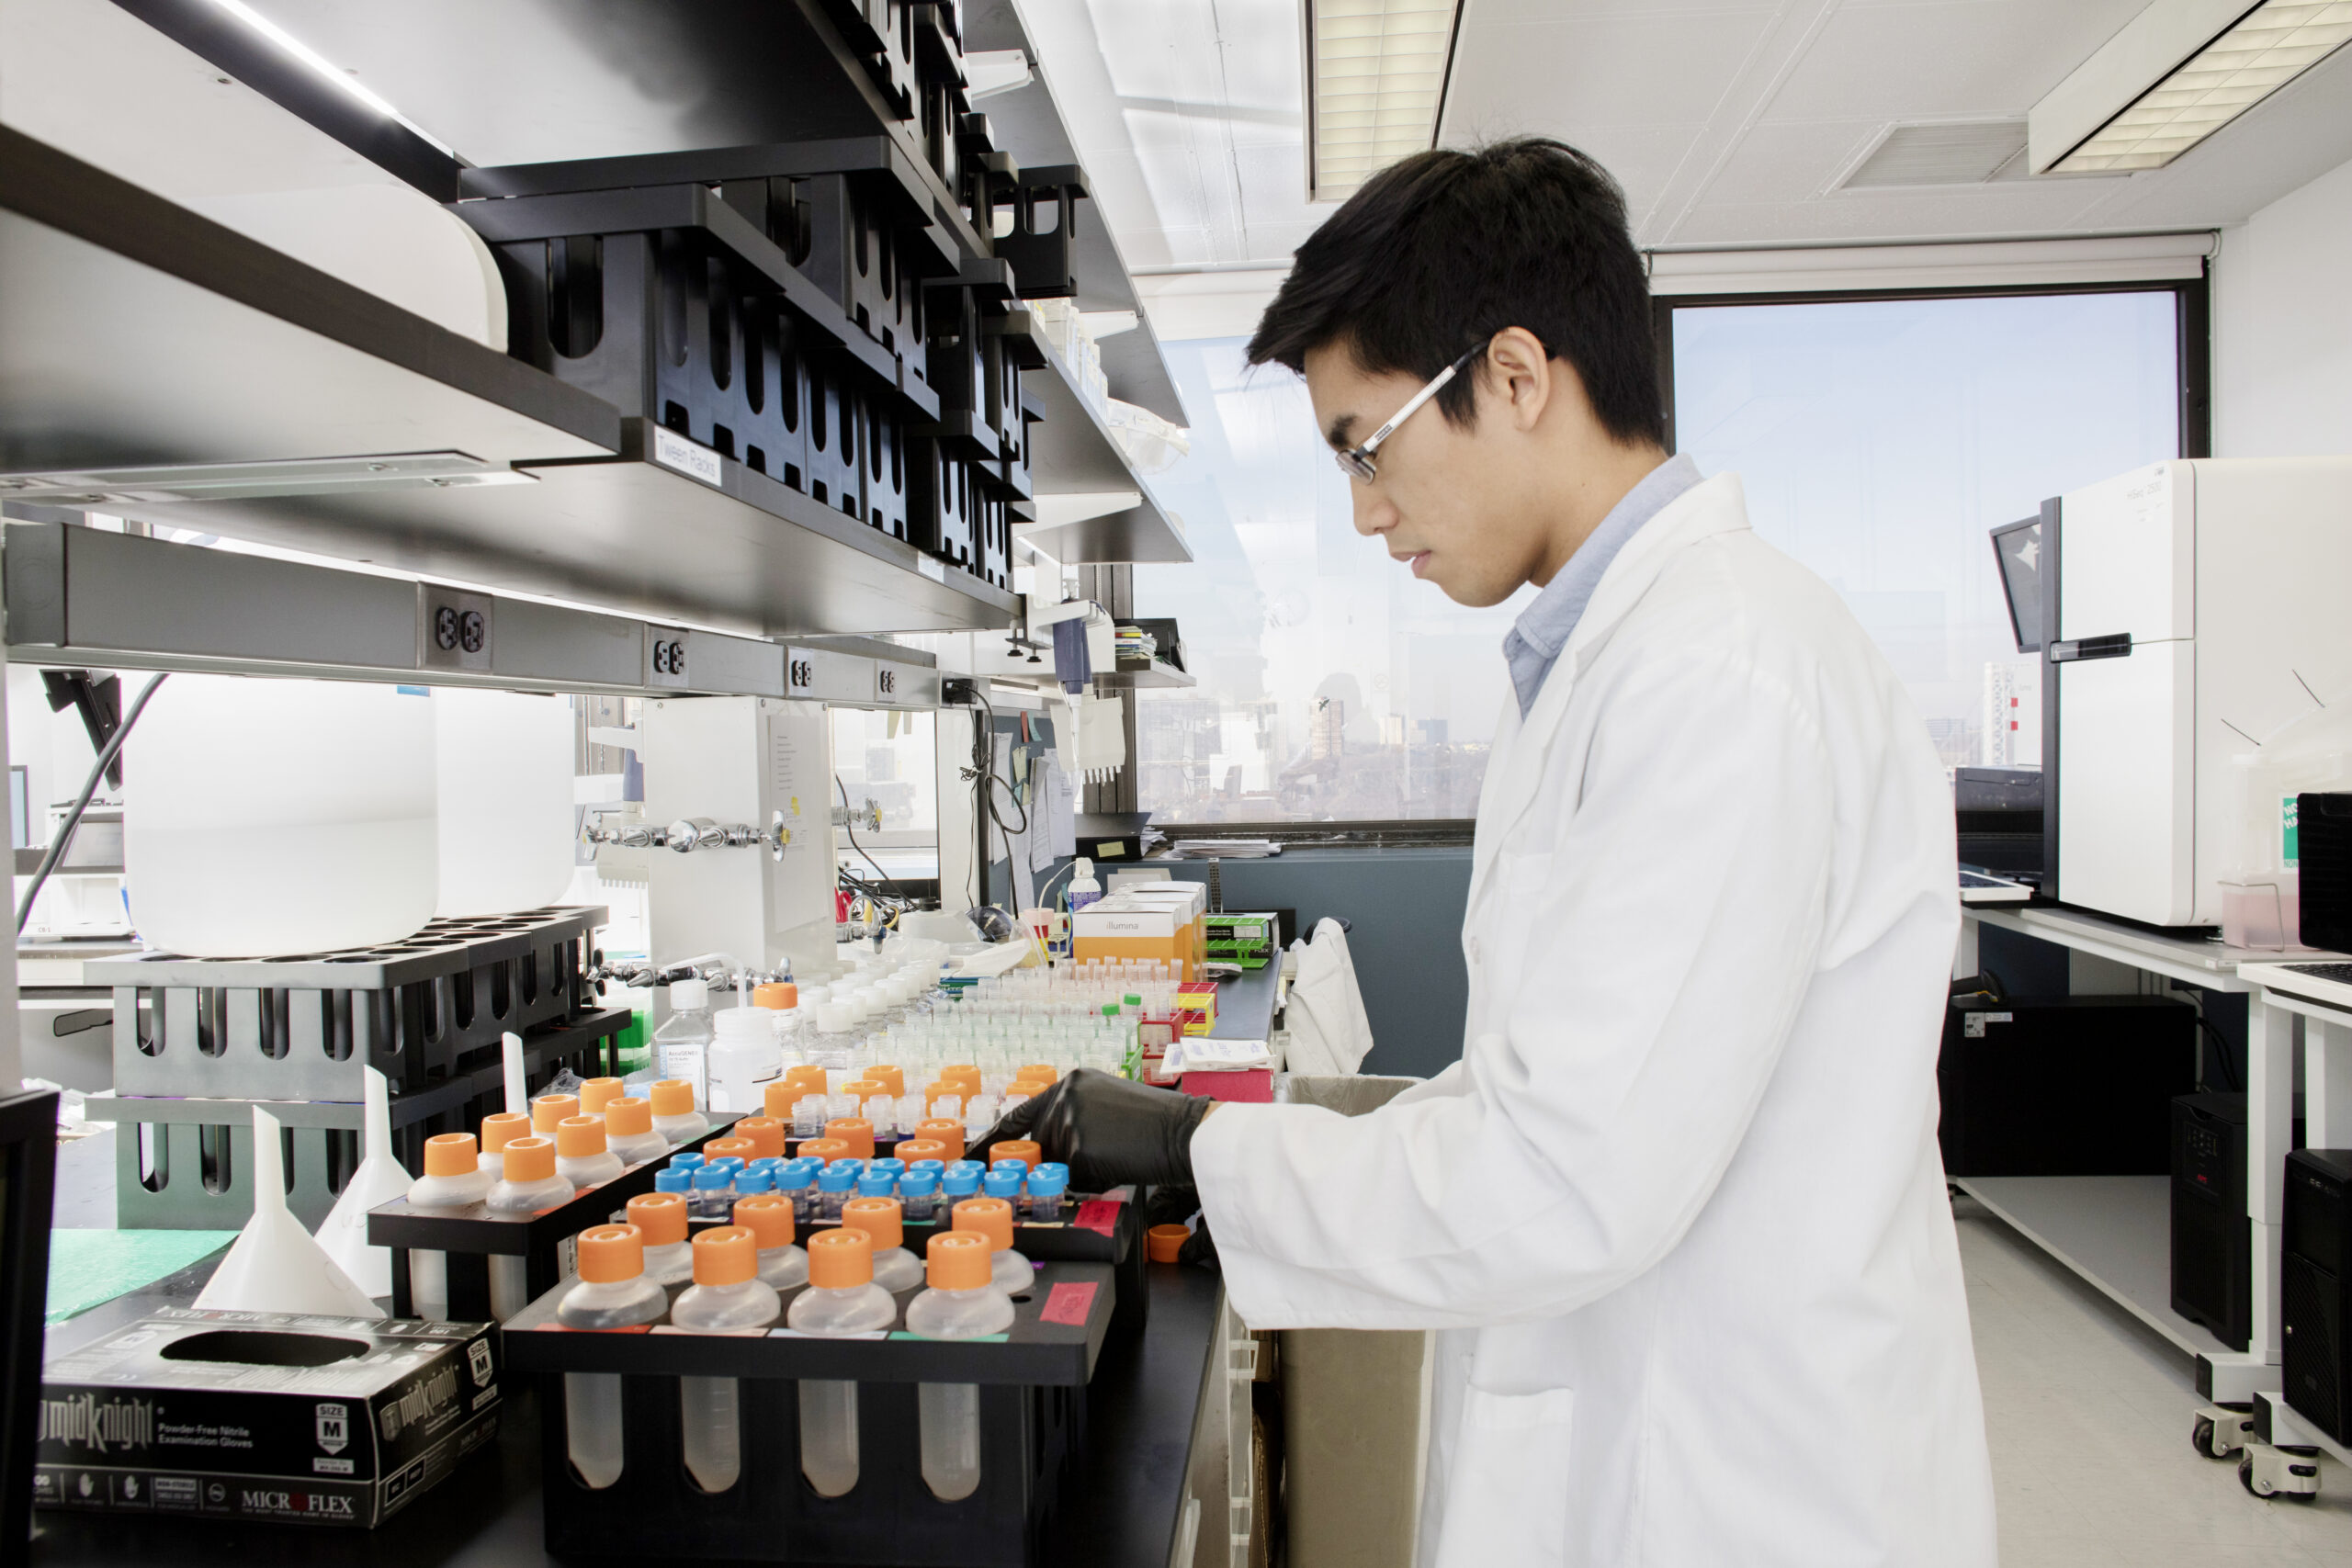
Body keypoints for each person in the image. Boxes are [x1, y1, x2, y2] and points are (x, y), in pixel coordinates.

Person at [986, 139, 1996, 1566]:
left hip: (1732, 1485)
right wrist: (1265, 1143)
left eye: (1365, 445)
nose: (1362, 509)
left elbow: (1561, 1173)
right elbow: (1549, 1078)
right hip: (1648, 1426)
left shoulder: (1721, 673)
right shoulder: (1607, 659)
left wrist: (1209, 1148)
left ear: (1515, 377)